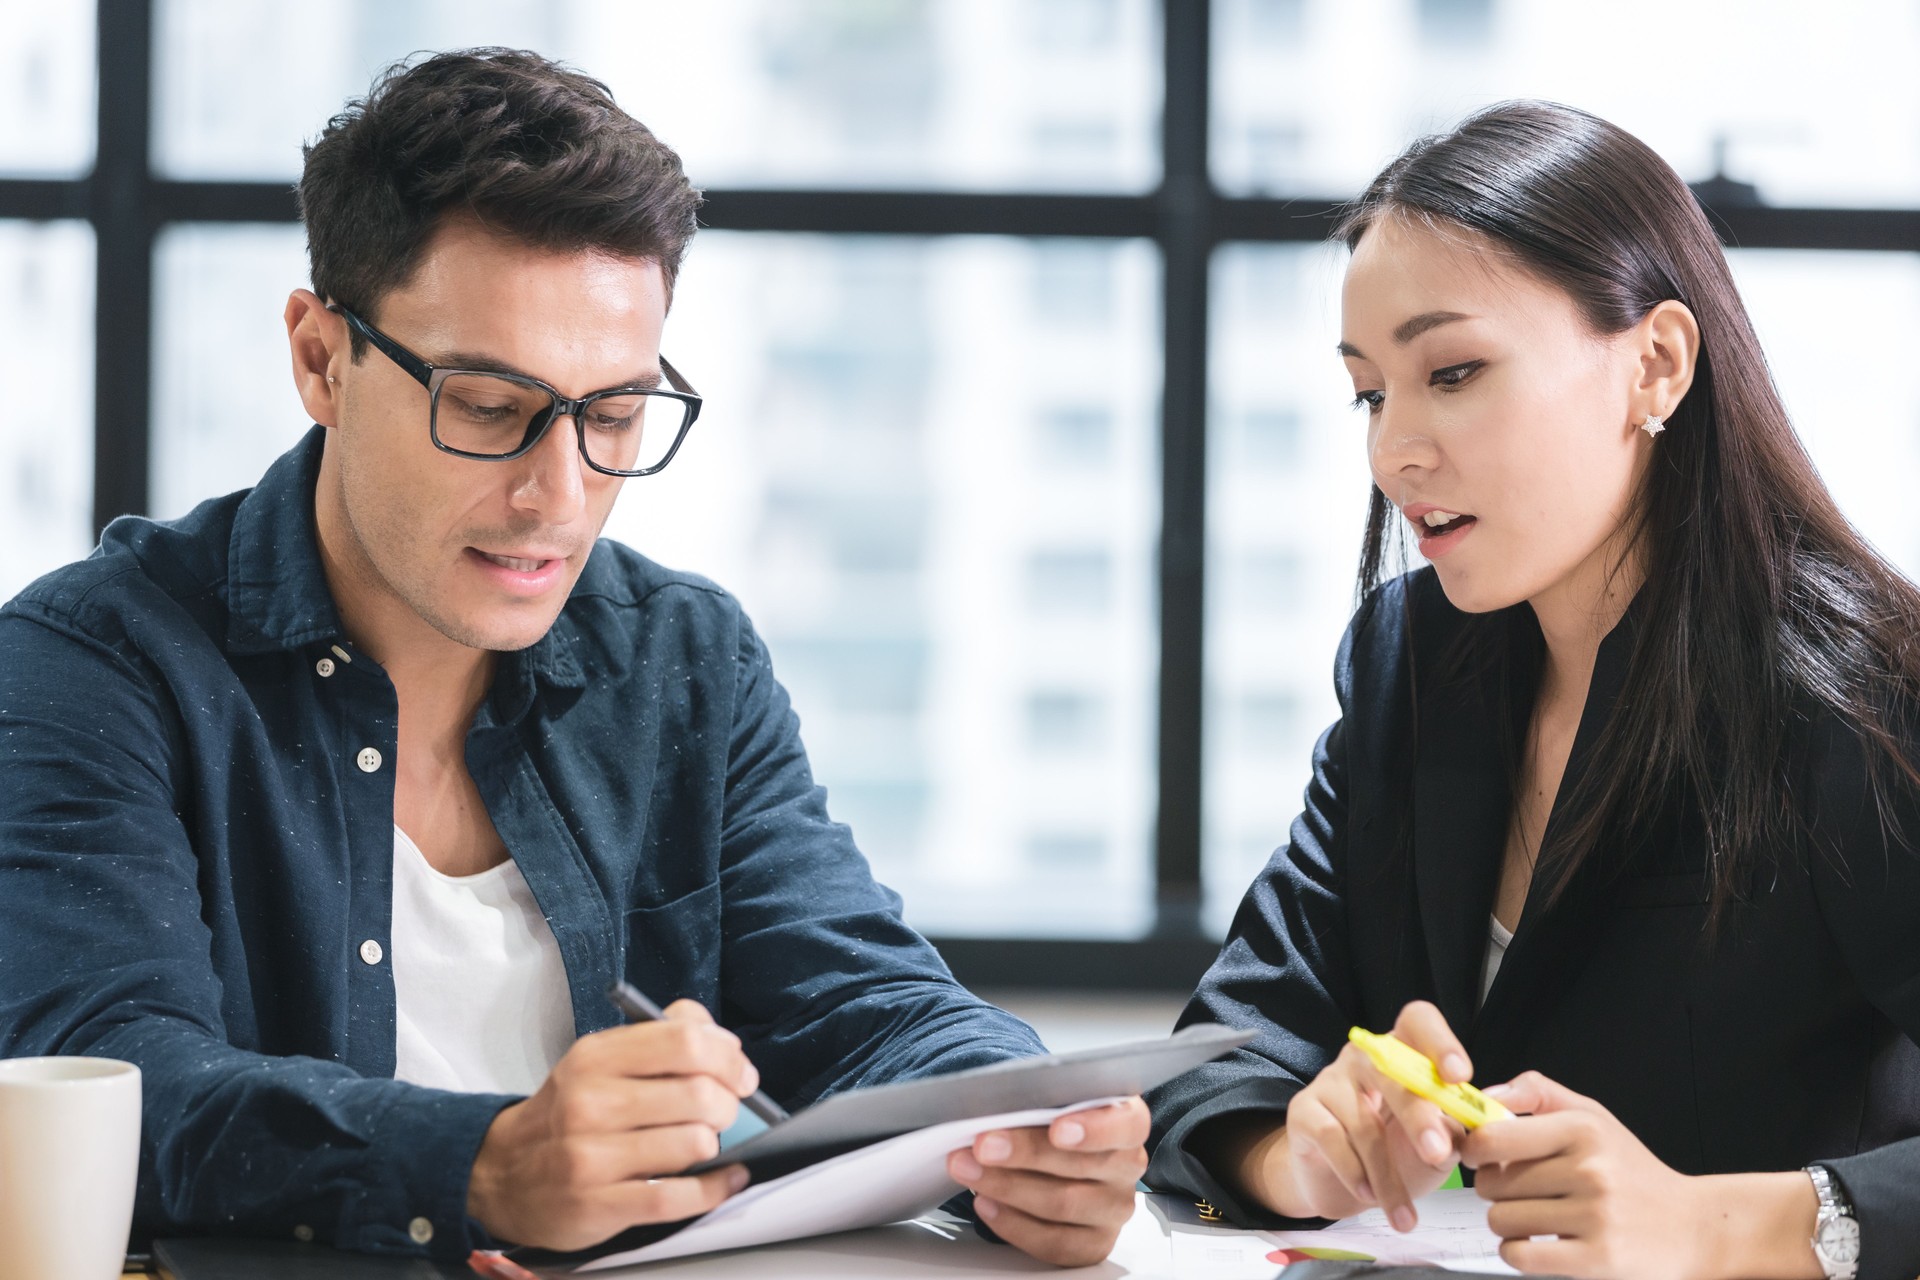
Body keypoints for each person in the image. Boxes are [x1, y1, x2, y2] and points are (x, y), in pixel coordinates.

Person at [0, 49, 1147, 1267]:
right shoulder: (93, 666)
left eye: (614, 416)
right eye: (490, 408)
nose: (559, 495)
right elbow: (119, 1083)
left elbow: (859, 995)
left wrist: (1025, 1122)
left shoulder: (683, 660)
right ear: (322, 360)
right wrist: (482, 1165)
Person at [1145, 101, 1920, 1280]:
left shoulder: (1856, 695)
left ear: (1656, 361)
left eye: (1452, 371)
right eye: (1370, 392)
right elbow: (1225, 1041)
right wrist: (1300, 1151)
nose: (1394, 450)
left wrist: (1723, 1223)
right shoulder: (1410, 663)